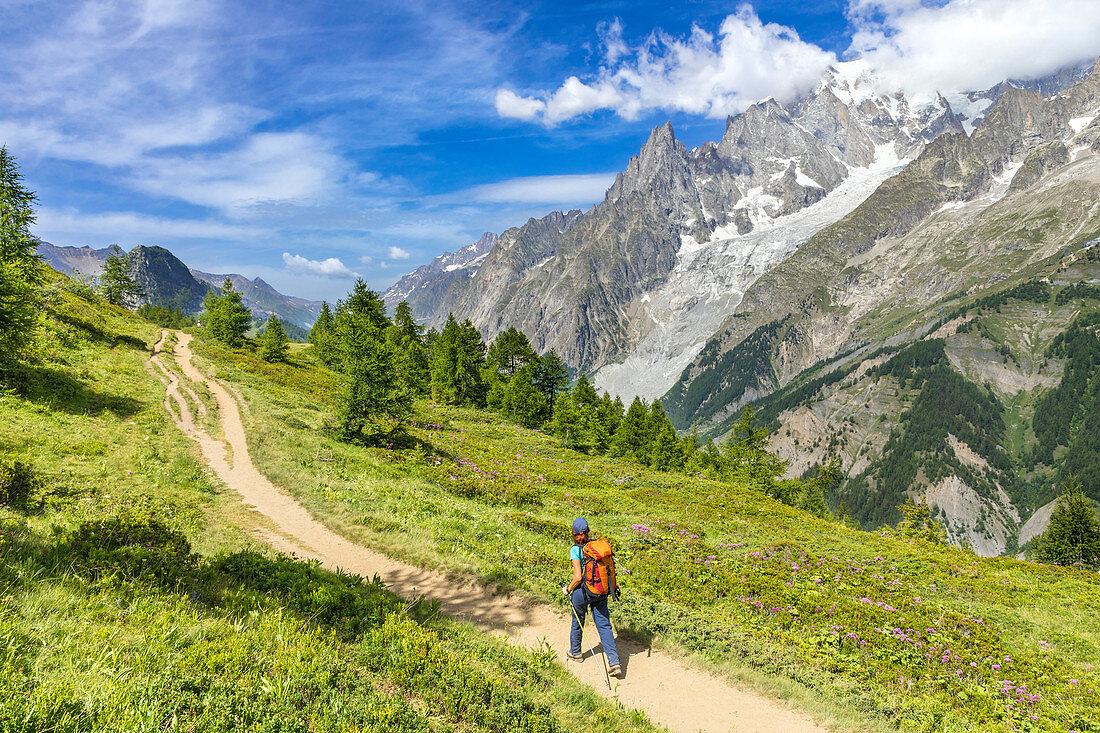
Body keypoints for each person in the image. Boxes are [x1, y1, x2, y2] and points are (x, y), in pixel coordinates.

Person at [562, 516, 622, 677]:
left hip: (582, 592)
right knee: (604, 625)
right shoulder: (596, 547)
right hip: (599, 590)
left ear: (574, 533)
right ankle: (614, 662)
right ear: (587, 532)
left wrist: (568, 589)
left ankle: (576, 652)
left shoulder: (575, 550)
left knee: (578, 620)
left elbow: (578, 578)